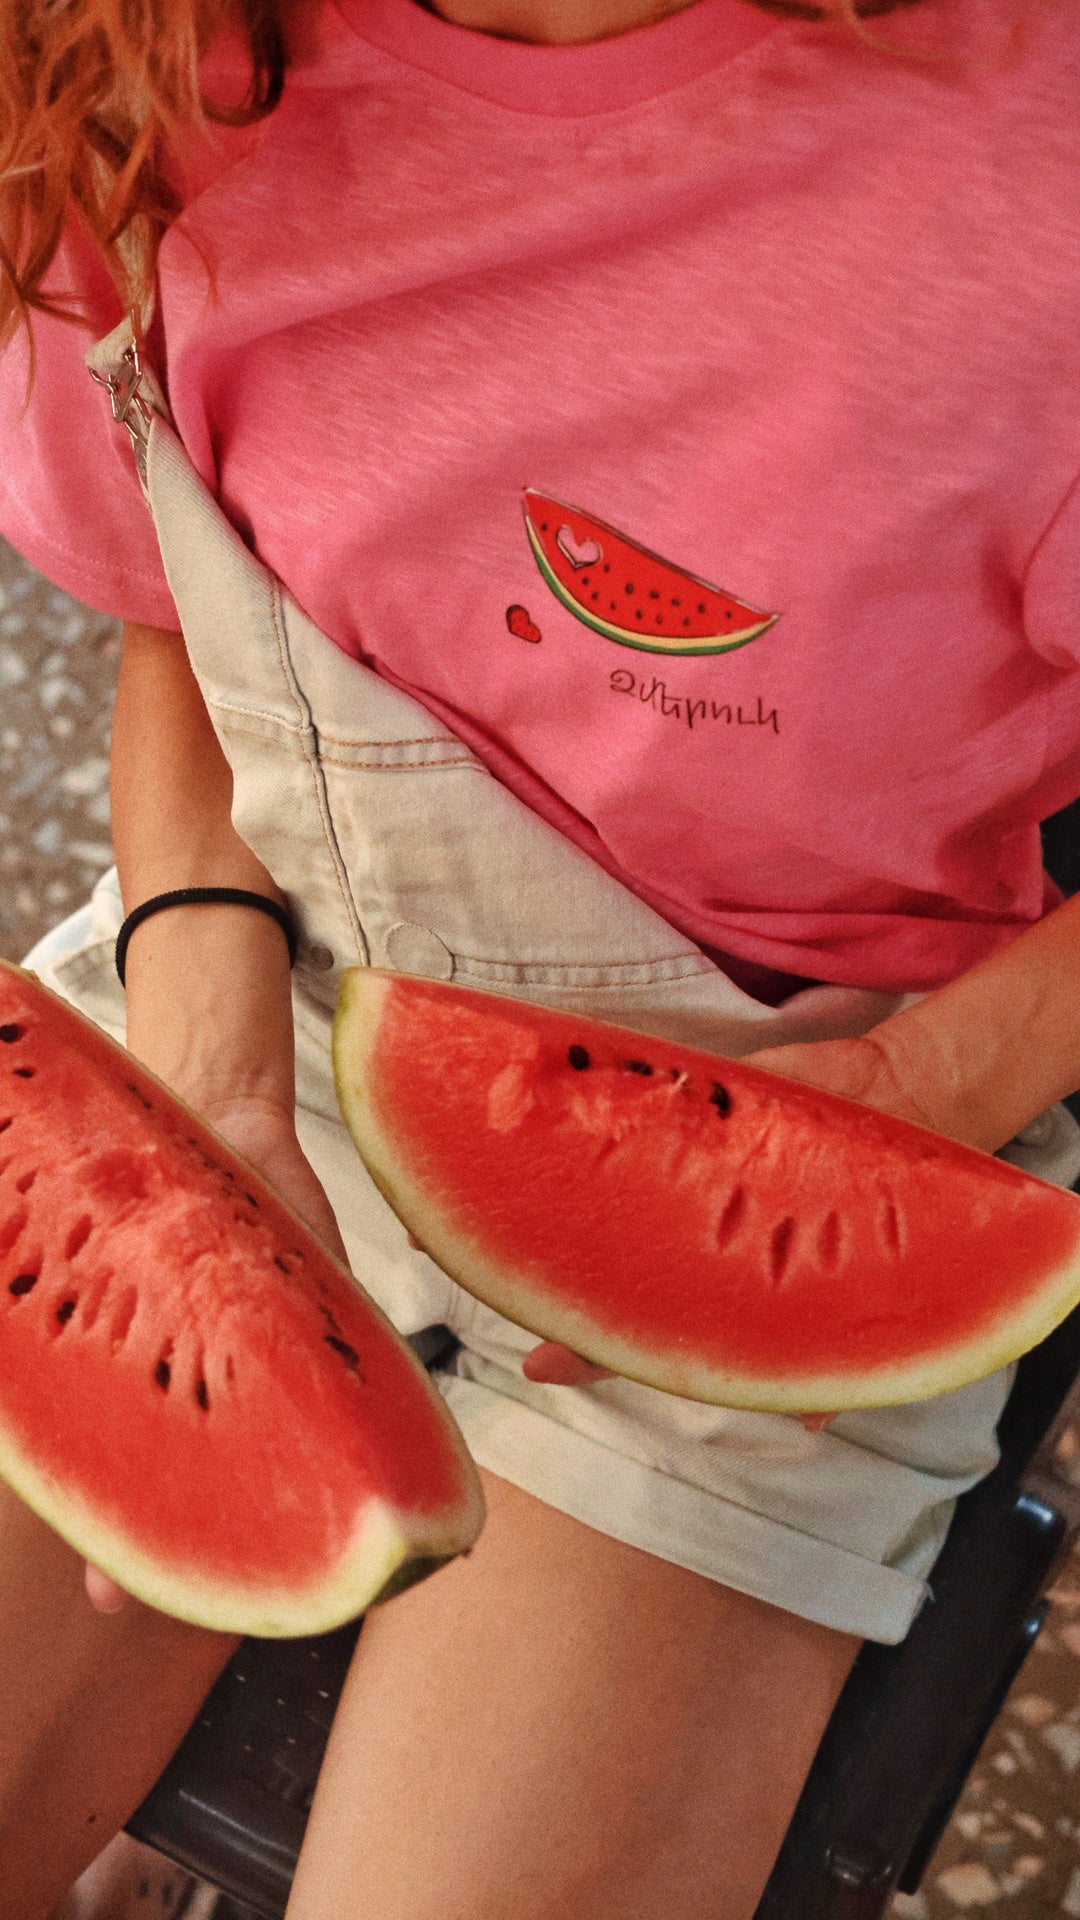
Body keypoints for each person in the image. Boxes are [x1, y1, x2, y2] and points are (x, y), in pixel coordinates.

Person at [1, 0, 1078, 1913]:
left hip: (807, 1087)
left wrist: (913, 1093)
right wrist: (223, 1081)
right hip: (254, 956)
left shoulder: (1030, 170)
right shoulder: (120, 52)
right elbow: (186, 606)